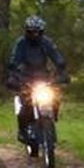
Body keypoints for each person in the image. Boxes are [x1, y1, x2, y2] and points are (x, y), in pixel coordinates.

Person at [6, 15, 70, 144]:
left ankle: (51, 119)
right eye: (32, 31)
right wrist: (13, 75)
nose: (35, 34)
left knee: (55, 97)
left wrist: (61, 69)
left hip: (43, 77)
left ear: (42, 31)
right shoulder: (21, 43)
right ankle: (23, 131)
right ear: (27, 31)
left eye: (38, 31)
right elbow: (15, 60)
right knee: (25, 104)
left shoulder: (46, 42)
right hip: (26, 77)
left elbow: (56, 55)